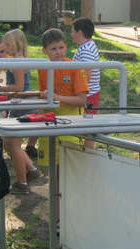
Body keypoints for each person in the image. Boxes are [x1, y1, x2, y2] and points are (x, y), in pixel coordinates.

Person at [0, 29, 45, 195]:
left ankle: (22, 183)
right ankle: (31, 169)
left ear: (18, 44)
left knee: (14, 146)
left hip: (21, 105)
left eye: (8, 45)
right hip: (19, 104)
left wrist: (1, 88)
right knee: (9, 144)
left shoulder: (17, 62)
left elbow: (19, 86)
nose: (6, 48)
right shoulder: (19, 59)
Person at [36, 28, 89, 168]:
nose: (58, 52)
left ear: (66, 46)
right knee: (52, 169)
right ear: (44, 51)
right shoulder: (43, 68)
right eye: (53, 49)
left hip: (71, 125)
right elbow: (42, 96)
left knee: (69, 170)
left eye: (61, 47)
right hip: (48, 123)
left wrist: (57, 97)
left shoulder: (75, 67)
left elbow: (82, 100)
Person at [71, 17, 101, 148]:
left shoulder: (86, 50)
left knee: (88, 127)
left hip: (88, 95)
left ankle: (88, 152)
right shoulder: (86, 47)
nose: (71, 34)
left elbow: (86, 75)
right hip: (88, 93)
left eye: (73, 31)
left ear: (80, 32)